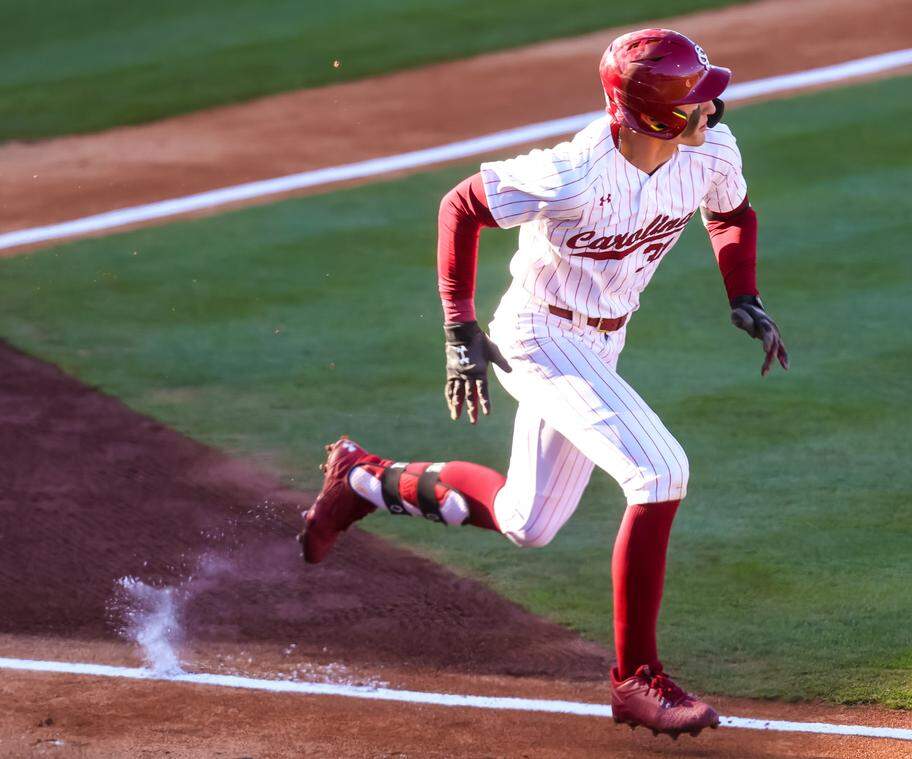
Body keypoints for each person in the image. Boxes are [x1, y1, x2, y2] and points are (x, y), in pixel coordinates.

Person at [299, 28, 788, 739]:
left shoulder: (708, 152)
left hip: (603, 339)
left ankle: (363, 479)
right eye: (698, 100)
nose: (714, 109)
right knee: (659, 471)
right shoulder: (574, 173)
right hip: (539, 337)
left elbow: (731, 212)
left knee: (530, 521)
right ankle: (634, 679)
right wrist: (459, 328)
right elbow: (460, 205)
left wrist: (742, 293)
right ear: (655, 113)